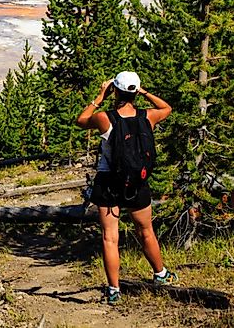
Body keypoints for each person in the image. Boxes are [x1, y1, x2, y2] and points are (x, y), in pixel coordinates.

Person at [76, 71, 178, 305]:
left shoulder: (105, 118)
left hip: (108, 182)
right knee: (146, 231)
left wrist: (99, 97)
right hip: (137, 182)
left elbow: (81, 120)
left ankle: (114, 290)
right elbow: (167, 108)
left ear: (116, 90)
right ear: (135, 92)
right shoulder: (148, 117)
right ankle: (160, 274)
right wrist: (144, 92)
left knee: (110, 237)